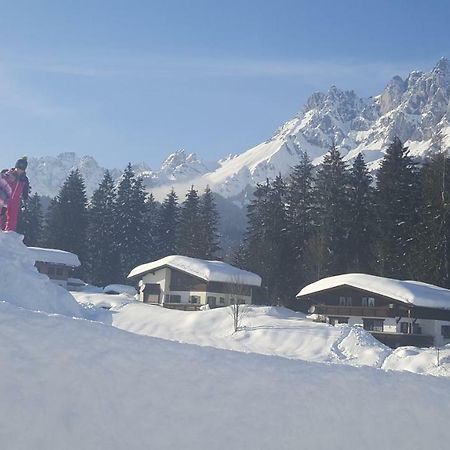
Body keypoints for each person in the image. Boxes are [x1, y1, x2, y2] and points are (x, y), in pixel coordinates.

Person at [0, 157, 29, 232]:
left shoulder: (24, 179)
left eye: (21, 169)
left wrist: (25, 199)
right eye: (18, 168)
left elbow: (25, 190)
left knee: (12, 217)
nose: (19, 171)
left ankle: (9, 232)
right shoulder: (8, 174)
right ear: (15, 167)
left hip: (15, 200)